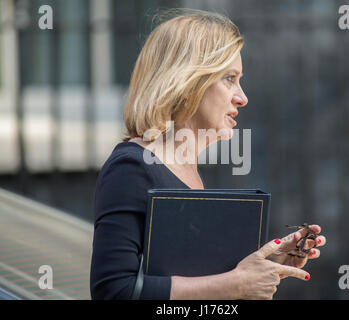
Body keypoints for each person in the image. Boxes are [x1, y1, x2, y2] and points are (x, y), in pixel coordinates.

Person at [90, 8, 326, 300]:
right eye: (229, 79)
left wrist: (267, 264)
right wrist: (238, 284)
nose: (242, 97)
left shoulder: (183, 168)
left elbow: (188, 282)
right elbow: (114, 291)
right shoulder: (132, 166)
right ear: (188, 83)